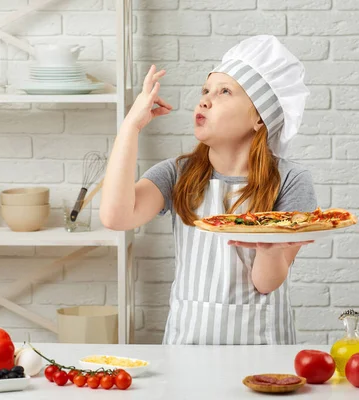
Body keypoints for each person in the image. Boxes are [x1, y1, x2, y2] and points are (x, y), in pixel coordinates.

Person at [100, 35, 317, 345]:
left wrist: (269, 243)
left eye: (224, 91)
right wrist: (130, 127)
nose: (204, 100)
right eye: (205, 91)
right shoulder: (177, 174)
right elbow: (115, 217)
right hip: (187, 350)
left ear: (259, 117)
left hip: (262, 355)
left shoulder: (292, 180)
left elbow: (266, 283)